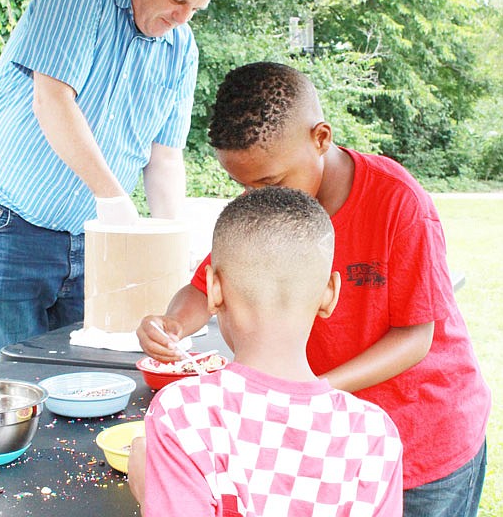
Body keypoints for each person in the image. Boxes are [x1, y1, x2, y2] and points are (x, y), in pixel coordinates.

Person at [137, 62, 491, 516]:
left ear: (320, 138)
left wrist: (314, 392)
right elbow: (210, 282)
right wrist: (172, 324)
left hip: (422, 439)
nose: (255, 196)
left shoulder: (398, 203)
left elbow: (414, 338)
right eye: (242, 185)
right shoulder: (268, 209)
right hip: (323, 434)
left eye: (269, 181)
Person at [0, 0, 227, 368]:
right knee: (4, 382)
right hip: (8, 221)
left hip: (94, 236)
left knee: (86, 376)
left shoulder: (181, 47)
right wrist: (113, 198)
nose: (181, 18)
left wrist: (174, 252)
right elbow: (52, 101)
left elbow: (164, 159)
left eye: (194, 8)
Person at [128, 186, 404, 516]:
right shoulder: (374, 433)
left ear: (213, 289)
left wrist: (149, 491)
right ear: (330, 294)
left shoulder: (183, 413)